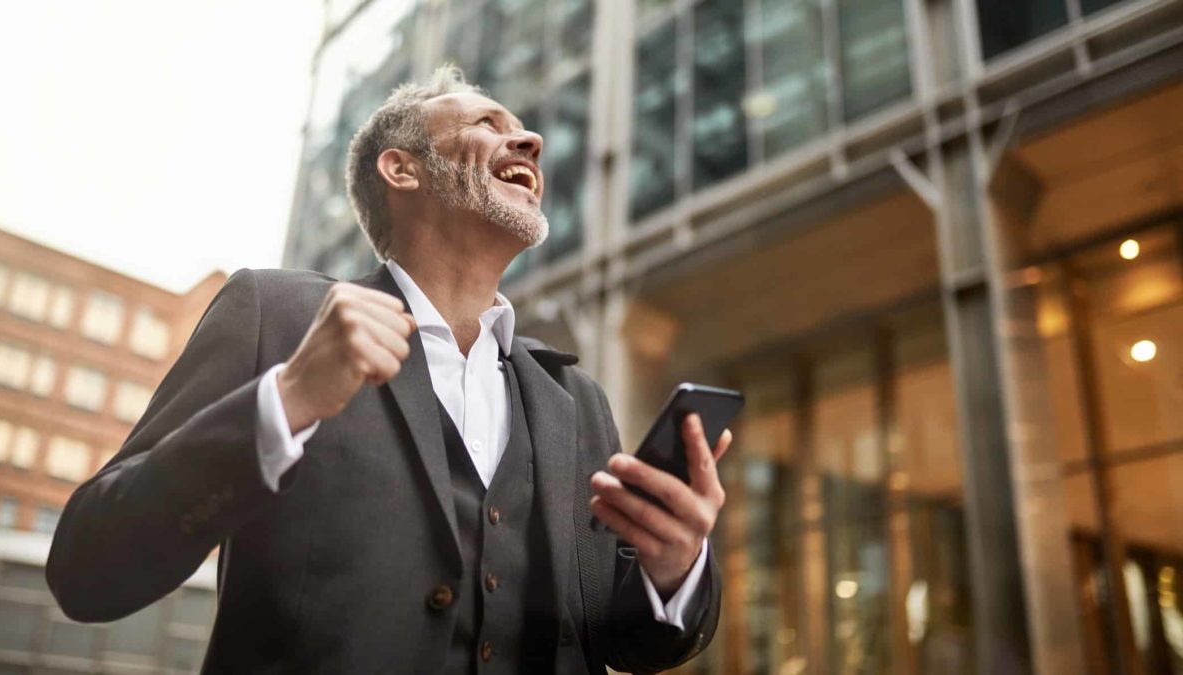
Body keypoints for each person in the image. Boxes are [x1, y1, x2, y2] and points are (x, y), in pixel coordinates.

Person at [47, 65, 731, 674]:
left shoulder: (576, 399)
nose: (531, 141)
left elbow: (626, 642)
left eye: (523, 130)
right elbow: (87, 569)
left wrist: (675, 567)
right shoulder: (278, 315)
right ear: (402, 169)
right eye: (487, 124)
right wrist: (283, 402)